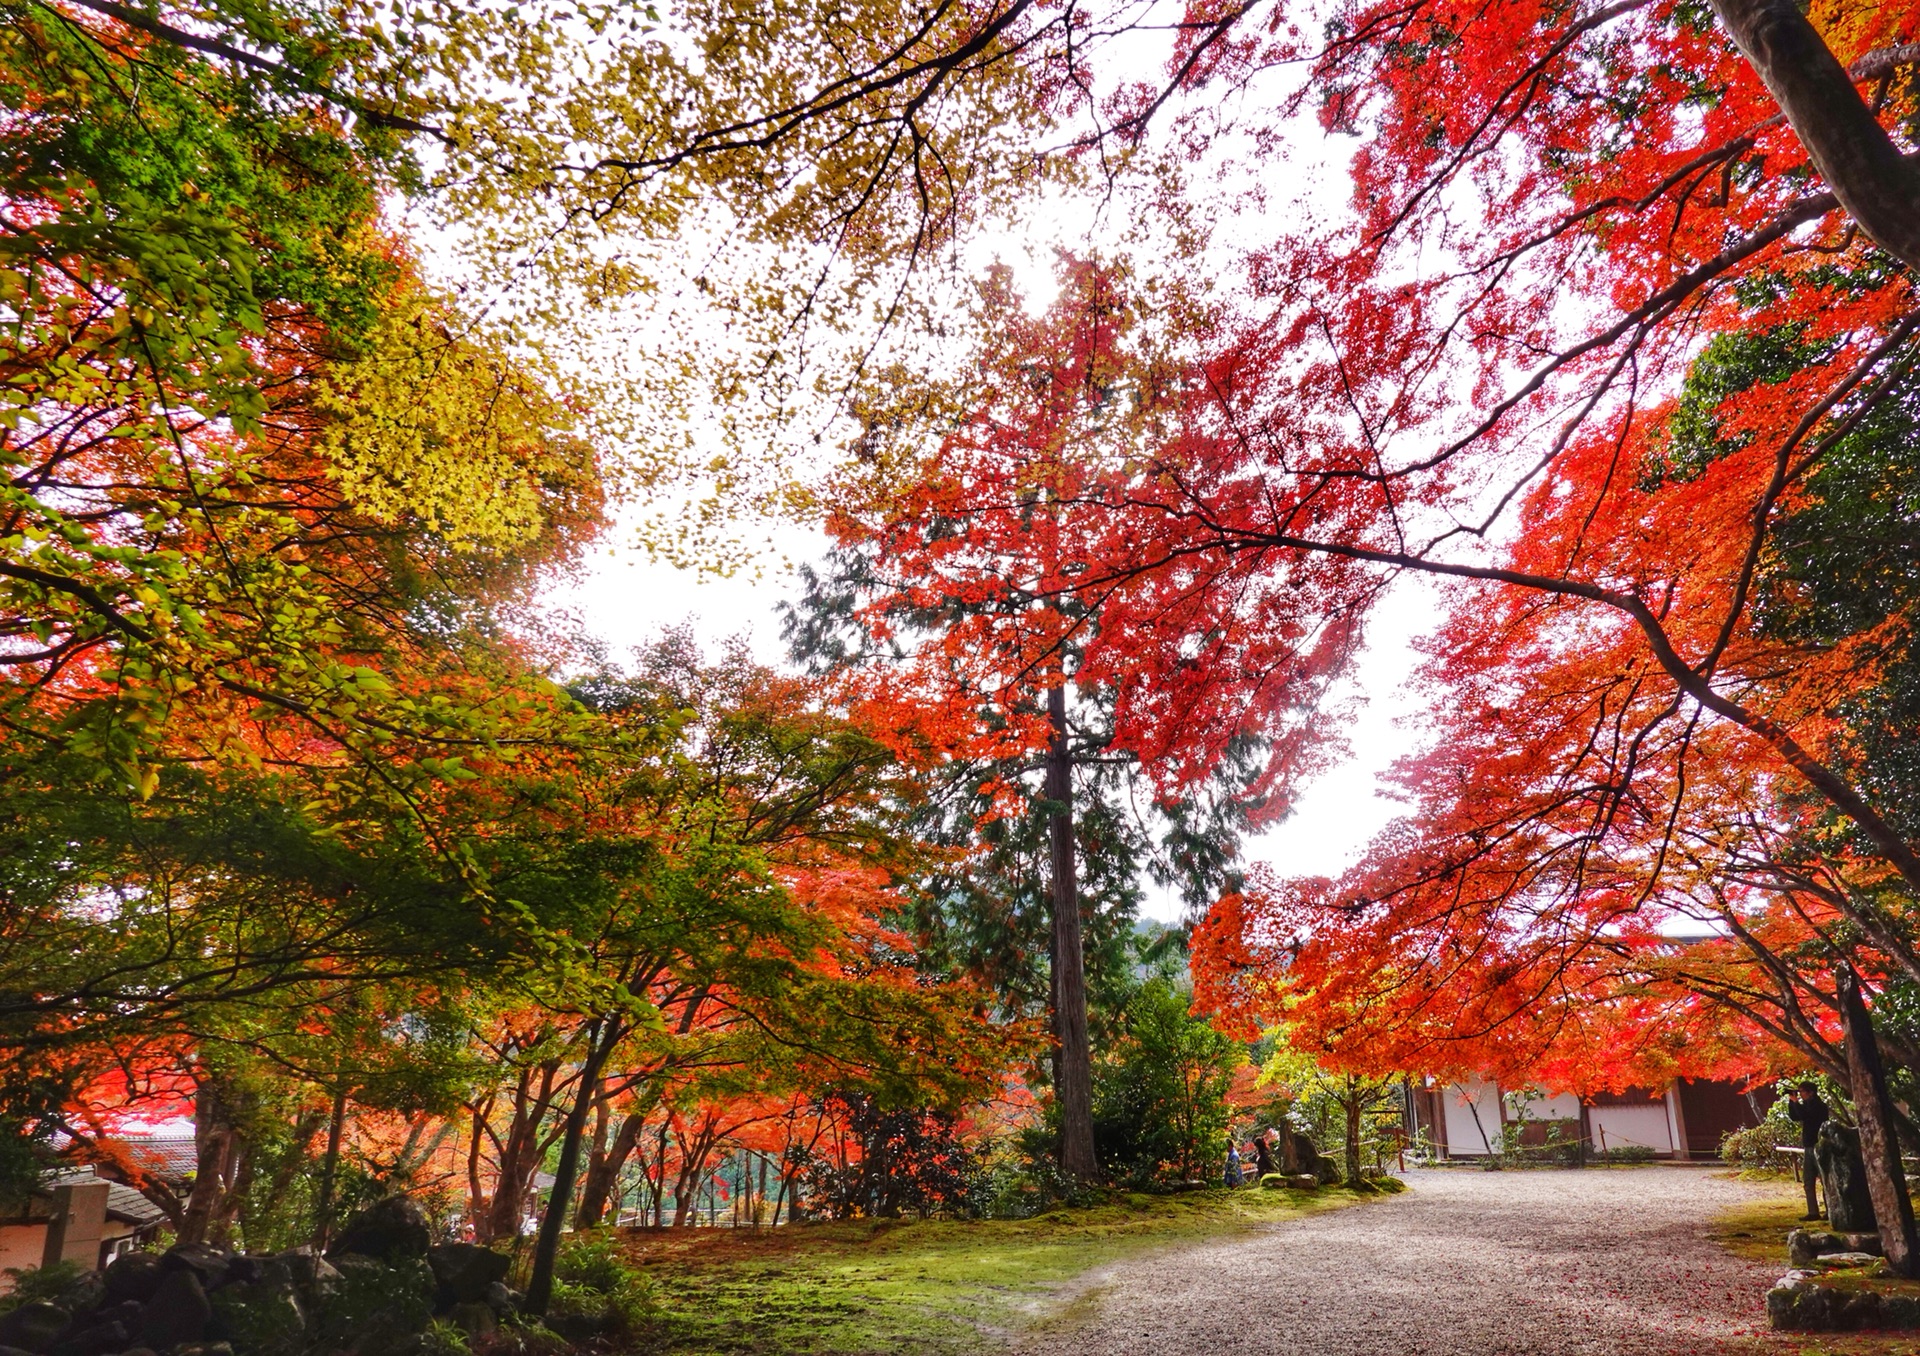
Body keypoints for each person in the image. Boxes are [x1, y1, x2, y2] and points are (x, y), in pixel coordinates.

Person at [1787, 1083, 1830, 1221]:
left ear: (1811, 1092)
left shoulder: (1819, 1106)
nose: (1801, 1094)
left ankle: (1830, 1210)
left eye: (1802, 1092)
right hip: (1808, 1146)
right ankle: (1813, 1212)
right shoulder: (1806, 1105)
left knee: (1825, 1180)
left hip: (1818, 1145)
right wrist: (1792, 1103)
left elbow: (1807, 1116)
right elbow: (1795, 1116)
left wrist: (1797, 1104)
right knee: (1808, 1180)